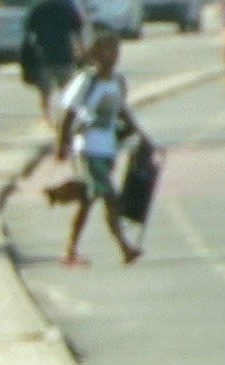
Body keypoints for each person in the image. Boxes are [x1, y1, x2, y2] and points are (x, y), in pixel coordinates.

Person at [50, 38, 151, 264]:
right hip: (87, 147)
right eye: (108, 49)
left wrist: (141, 136)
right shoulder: (87, 80)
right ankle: (125, 248)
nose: (113, 54)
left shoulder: (117, 81)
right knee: (110, 197)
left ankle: (70, 249)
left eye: (116, 49)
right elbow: (69, 111)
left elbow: (122, 112)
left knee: (87, 200)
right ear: (97, 52)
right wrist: (61, 143)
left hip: (107, 150)